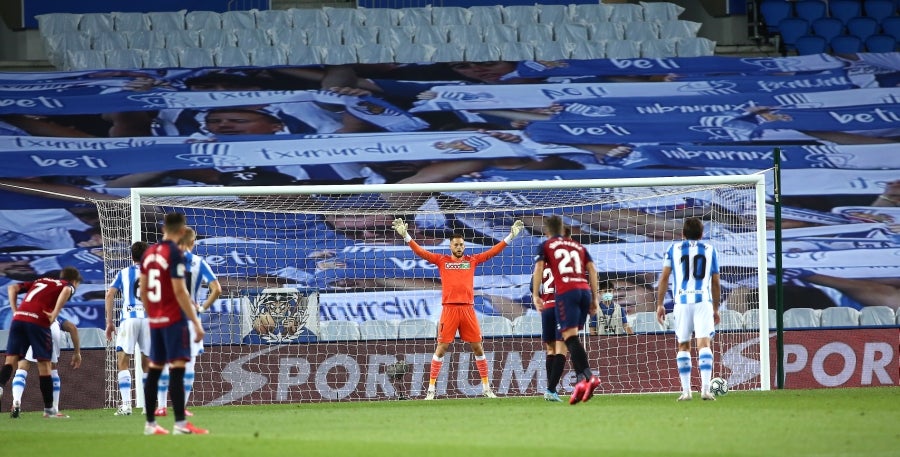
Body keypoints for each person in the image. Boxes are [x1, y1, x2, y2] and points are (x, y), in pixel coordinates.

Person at [392, 217, 525, 400]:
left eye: (461, 244)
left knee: (478, 348)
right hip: (449, 310)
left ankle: (486, 388)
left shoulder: (472, 260)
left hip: (468, 310)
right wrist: (406, 236)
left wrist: (510, 236)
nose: (459, 247)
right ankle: (431, 390)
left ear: (464, 246)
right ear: (450, 246)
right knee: (441, 348)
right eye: (456, 244)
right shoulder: (442, 260)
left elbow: (492, 252)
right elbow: (421, 252)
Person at [139, 213, 207, 435]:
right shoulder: (176, 253)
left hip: (155, 319)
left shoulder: (148, 253)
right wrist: (195, 322)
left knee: (155, 369)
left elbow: (143, 290)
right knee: (177, 369)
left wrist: (152, 315)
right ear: (182, 231)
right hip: (174, 319)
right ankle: (180, 424)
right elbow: (180, 290)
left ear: (163, 229)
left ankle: (150, 424)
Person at [534, 215, 601, 405]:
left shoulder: (547, 245)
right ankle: (581, 381)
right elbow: (593, 270)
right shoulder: (578, 246)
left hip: (564, 294)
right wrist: (595, 298)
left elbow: (538, 269)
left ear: (547, 232)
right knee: (569, 339)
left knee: (567, 339)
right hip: (583, 291)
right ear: (564, 231)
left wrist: (535, 295)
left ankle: (587, 377)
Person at [155, 227, 221, 417]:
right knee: (189, 363)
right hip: (190, 319)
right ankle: (181, 407)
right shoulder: (199, 262)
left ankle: (161, 406)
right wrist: (202, 308)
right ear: (193, 242)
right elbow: (217, 289)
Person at [655, 217, 722, 402]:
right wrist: (715, 308)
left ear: (682, 234)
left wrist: (660, 304)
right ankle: (706, 390)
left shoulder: (673, 249)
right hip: (703, 301)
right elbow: (716, 282)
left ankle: (686, 392)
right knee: (704, 344)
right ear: (702, 234)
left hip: (682, 302)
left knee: (683, 345)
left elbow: (664, 278)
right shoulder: (710, 250)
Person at [0, 266, 81, 418]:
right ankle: (50, 409)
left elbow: (12, 288)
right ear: (74, 281)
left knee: (14, 362)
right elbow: (66, 293)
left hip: (19, 319)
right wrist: (54, 314)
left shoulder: (39, 281)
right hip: (40, 321)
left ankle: (5, 390)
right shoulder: (66, 285)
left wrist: (15, 311)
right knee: (47, 366)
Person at [105, 241, 151, 416]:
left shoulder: (123, 273)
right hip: (148, 320)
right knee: (148, 363)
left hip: (128, 320)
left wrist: (110, 322)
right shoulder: (155, 273)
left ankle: (126, 406)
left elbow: (110, 294)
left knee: (123, 361)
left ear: (131, 256)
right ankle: (148, 406)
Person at [9, 315, 81, 418]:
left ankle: (16, 401)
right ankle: (53, 409)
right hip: (48, 328)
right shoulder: (53, 314)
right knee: (51, 368)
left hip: (26, 327)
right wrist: (77, 353)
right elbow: (72, 328)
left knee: (22, 366)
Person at [531, 251, 567, 403]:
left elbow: (532, 286)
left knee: (550, 350)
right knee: (561, 349)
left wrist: (540, 297)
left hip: (547, 308)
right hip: (562, 307)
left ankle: (551, 389)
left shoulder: (542, 264)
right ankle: (551, 390)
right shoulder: (566, 263)